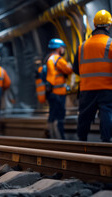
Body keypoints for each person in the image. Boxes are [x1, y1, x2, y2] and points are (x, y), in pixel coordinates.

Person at [73, 10, 112, 142]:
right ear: (109, 26)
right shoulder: (110, 44)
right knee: (106, 112)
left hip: (87, 88)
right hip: (107, 87)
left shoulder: (82, 46)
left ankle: (81, 142)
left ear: (94, 26)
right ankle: (106, 142)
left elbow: (75, 69)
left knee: (84, 115)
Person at [45, 38, 73, 139]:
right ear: (58, 48)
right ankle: (60, 138)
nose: (63, 50)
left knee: (52, 115)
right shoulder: (58, 59)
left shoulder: (49, 58)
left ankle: (52, 136)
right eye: (62, 47)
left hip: (51, 92)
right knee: (59, 116)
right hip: (58, 92)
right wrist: (70, 65)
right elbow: (68, 70)